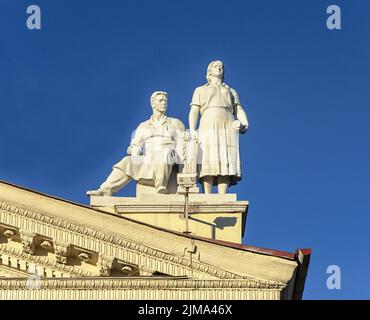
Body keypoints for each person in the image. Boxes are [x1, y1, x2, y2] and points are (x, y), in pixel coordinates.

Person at [87, 91, 185, 196]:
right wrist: (135, 151)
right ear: (153, 104)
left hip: (168, 157)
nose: (164, 103)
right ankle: (105, 190)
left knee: (165, 152)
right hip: (149, 160)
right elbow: (133, 146)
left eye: (165, 101)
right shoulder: (143, 126)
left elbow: (183, 144)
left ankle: (160, 185)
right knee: (127, 161)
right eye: (160, 100)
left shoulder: (175, 123)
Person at [189, 61, 249, 194]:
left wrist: (244, 123)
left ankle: (223, 194)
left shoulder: (230, 90)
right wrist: (192, 129)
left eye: (222, 67)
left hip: (228, 123)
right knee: (207, 157)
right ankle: (207, 194)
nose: (220, 68)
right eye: (216, 66)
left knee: (226, 157)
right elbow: (194, 110)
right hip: (208, 122)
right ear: (209, 71)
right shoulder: (200, 90)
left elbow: (238, 109)